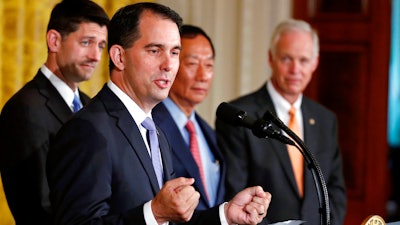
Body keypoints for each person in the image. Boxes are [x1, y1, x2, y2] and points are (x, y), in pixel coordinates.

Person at [46, 2, 271, 225]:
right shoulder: (87, 130)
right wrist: (153, 214)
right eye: (155, 50)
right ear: (119, 57)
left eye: (174, 52)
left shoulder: (155, 132)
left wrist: (226, 215)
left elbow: (170, 221)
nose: (169, 65)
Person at [215, 19, 346, 225]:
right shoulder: (241, 116)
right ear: (271, 58)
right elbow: (235, 191)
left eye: (303, 60)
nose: (295, 69)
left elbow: (335, 188)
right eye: (286, 58)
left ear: (315, 63)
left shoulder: (325, 119)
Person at [0, 1, 109, 225]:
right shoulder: (25, 108)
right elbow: (38, 208)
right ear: (54, 41)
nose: (96, 56)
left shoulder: (92, 107)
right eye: (86, 42)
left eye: (100, 46)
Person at [153, 24, 225, 210]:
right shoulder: (151, 124)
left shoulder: (208, 132)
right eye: (192, 64)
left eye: (208, 65)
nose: (202, 76)